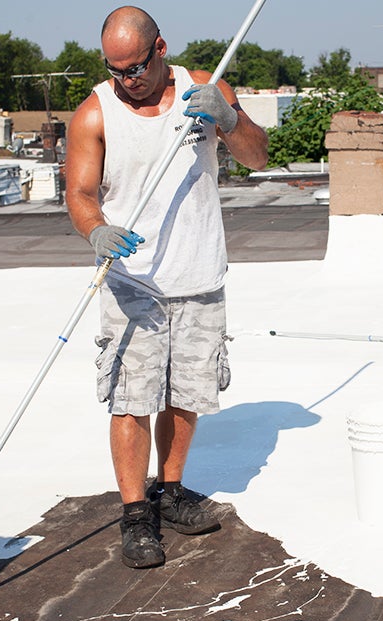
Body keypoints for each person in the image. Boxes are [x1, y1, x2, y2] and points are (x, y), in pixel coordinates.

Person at [65, 6, 268, 569]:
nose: (125, 79)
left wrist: (228, 119)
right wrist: (96, 230)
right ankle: (135, 514)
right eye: (114, 68)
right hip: (133, 280)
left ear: (159, 49)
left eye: (133, 67)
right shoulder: (95, 113)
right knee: (132, 399)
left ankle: (171, 491)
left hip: (200, 272)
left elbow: (258, 155)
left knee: (186, 392)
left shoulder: (205, 89)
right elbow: (80, 193)